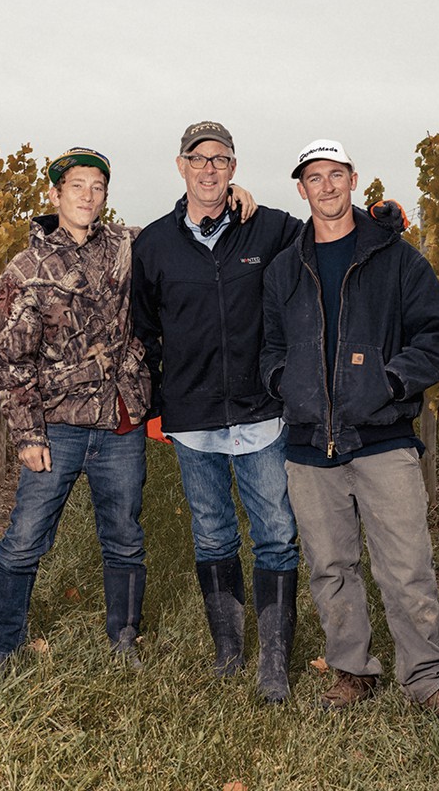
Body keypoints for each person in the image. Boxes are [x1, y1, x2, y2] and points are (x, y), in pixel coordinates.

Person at [260, 139, 439, 714]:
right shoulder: (284, 269)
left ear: (353, 179)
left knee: (406, 565)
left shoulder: (396, 258)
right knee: (330, 567)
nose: (325, 187)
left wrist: (392, 383)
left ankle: (426, 678)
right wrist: (285, 382)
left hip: (383, 439)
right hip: (308, 446)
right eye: (313, 178)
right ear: (300, 189)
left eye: (335, 175)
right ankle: (352, 669)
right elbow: (269, 348)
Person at [132, 121, 302, 702]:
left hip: (260, 413)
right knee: (212, 535)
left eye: (221, 160)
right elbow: (144, 331)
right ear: (181, 166)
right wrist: (160, 403)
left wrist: (381, 221)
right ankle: (229, 654)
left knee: (276, 534)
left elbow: (330, 240)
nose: (209, 169)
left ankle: (274, 663)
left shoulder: (273, 228)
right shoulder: (152, 245)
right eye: (198, 159)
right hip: (193, 418)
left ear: (234, 168)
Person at [0, 146, 152, 672]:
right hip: (57, 427)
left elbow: (184, 237)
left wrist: (231, 200)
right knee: (26, 538)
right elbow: (10, 359)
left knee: (124, 536)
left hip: (120, 423)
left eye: (97, 187)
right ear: (55, 194)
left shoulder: (128, 246)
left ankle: (124, 642)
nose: (88, 196)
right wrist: (27, 434)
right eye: (77, 186)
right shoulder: (25, 270)